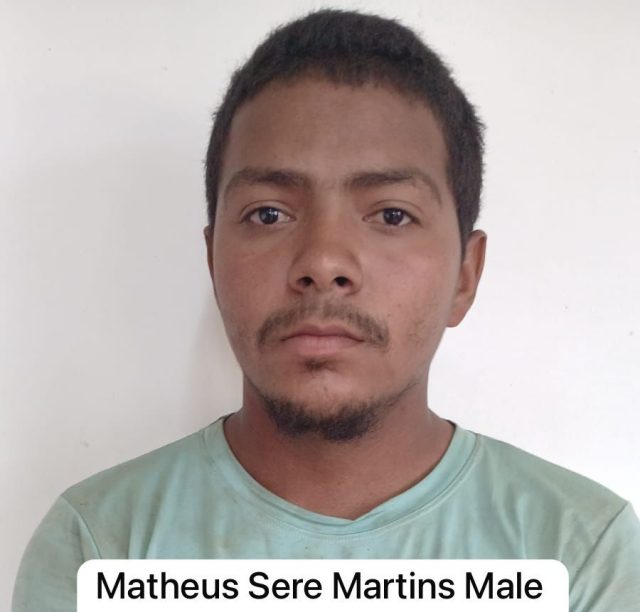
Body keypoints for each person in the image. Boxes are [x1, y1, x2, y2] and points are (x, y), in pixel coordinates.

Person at [13, 9, 640, 612]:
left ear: (464, 277)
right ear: (212, 261)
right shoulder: (100, 547)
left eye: (391, 214)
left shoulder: (579, 554)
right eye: (268, 214)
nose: (323, 261)